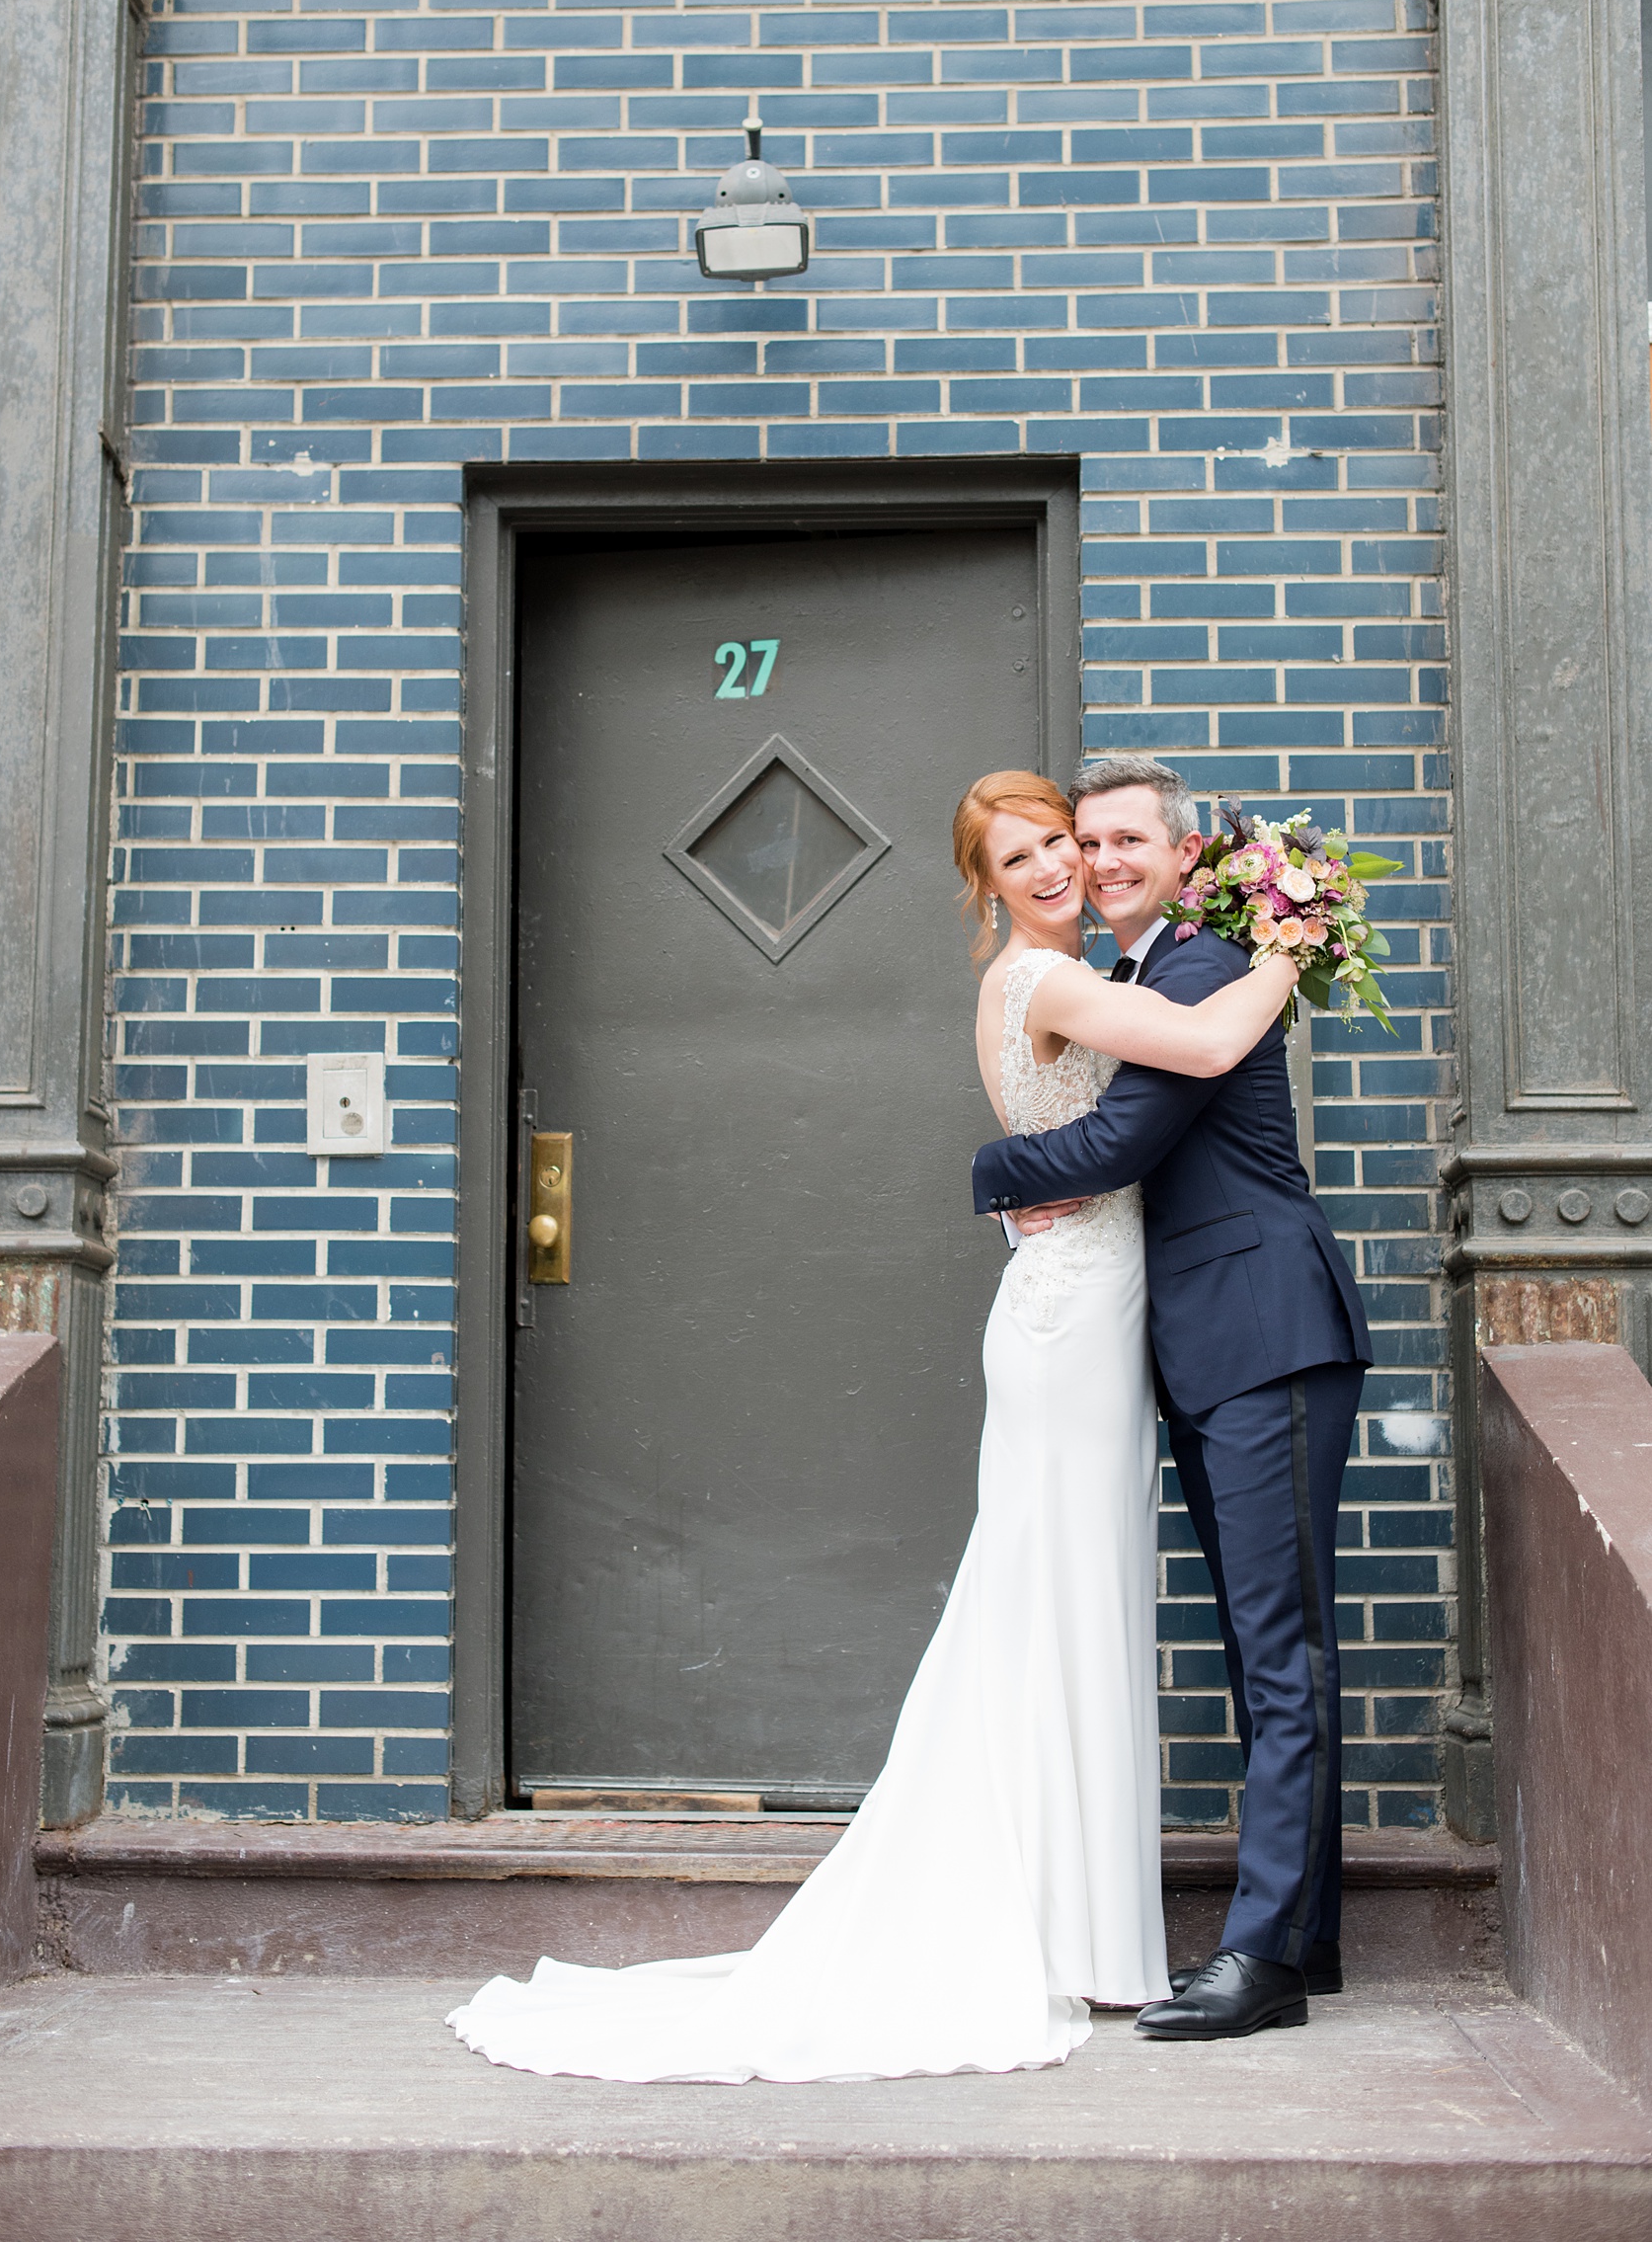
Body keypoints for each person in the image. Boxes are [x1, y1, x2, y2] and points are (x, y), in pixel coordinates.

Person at [446, 770, 1299, 2085]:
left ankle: (1077, 1927)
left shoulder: (1085, 975)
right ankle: (1060, 1932)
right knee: (1056, 1605)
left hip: (1093, 1306)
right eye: (1021, 860)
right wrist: (1291, 953)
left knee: (1068, 1608)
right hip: (1072, 1321)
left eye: (1063, 845)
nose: (1055, 871)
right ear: (989, 888)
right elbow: (1194, 1055)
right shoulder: (1045, 982)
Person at [972, 753, 1374, 2043]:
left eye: (1127, 838)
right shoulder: (1140, 977)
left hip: (1264, 1333)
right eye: (1086, 841)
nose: (1099, 860)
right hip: (1208, 1350)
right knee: (1266, 1648)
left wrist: (990, 1165)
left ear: (1187, 855)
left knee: (1278, 1647)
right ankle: (1302, 1939)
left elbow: (1125, 1143)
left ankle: (1261, 1955)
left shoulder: (1197, 967)